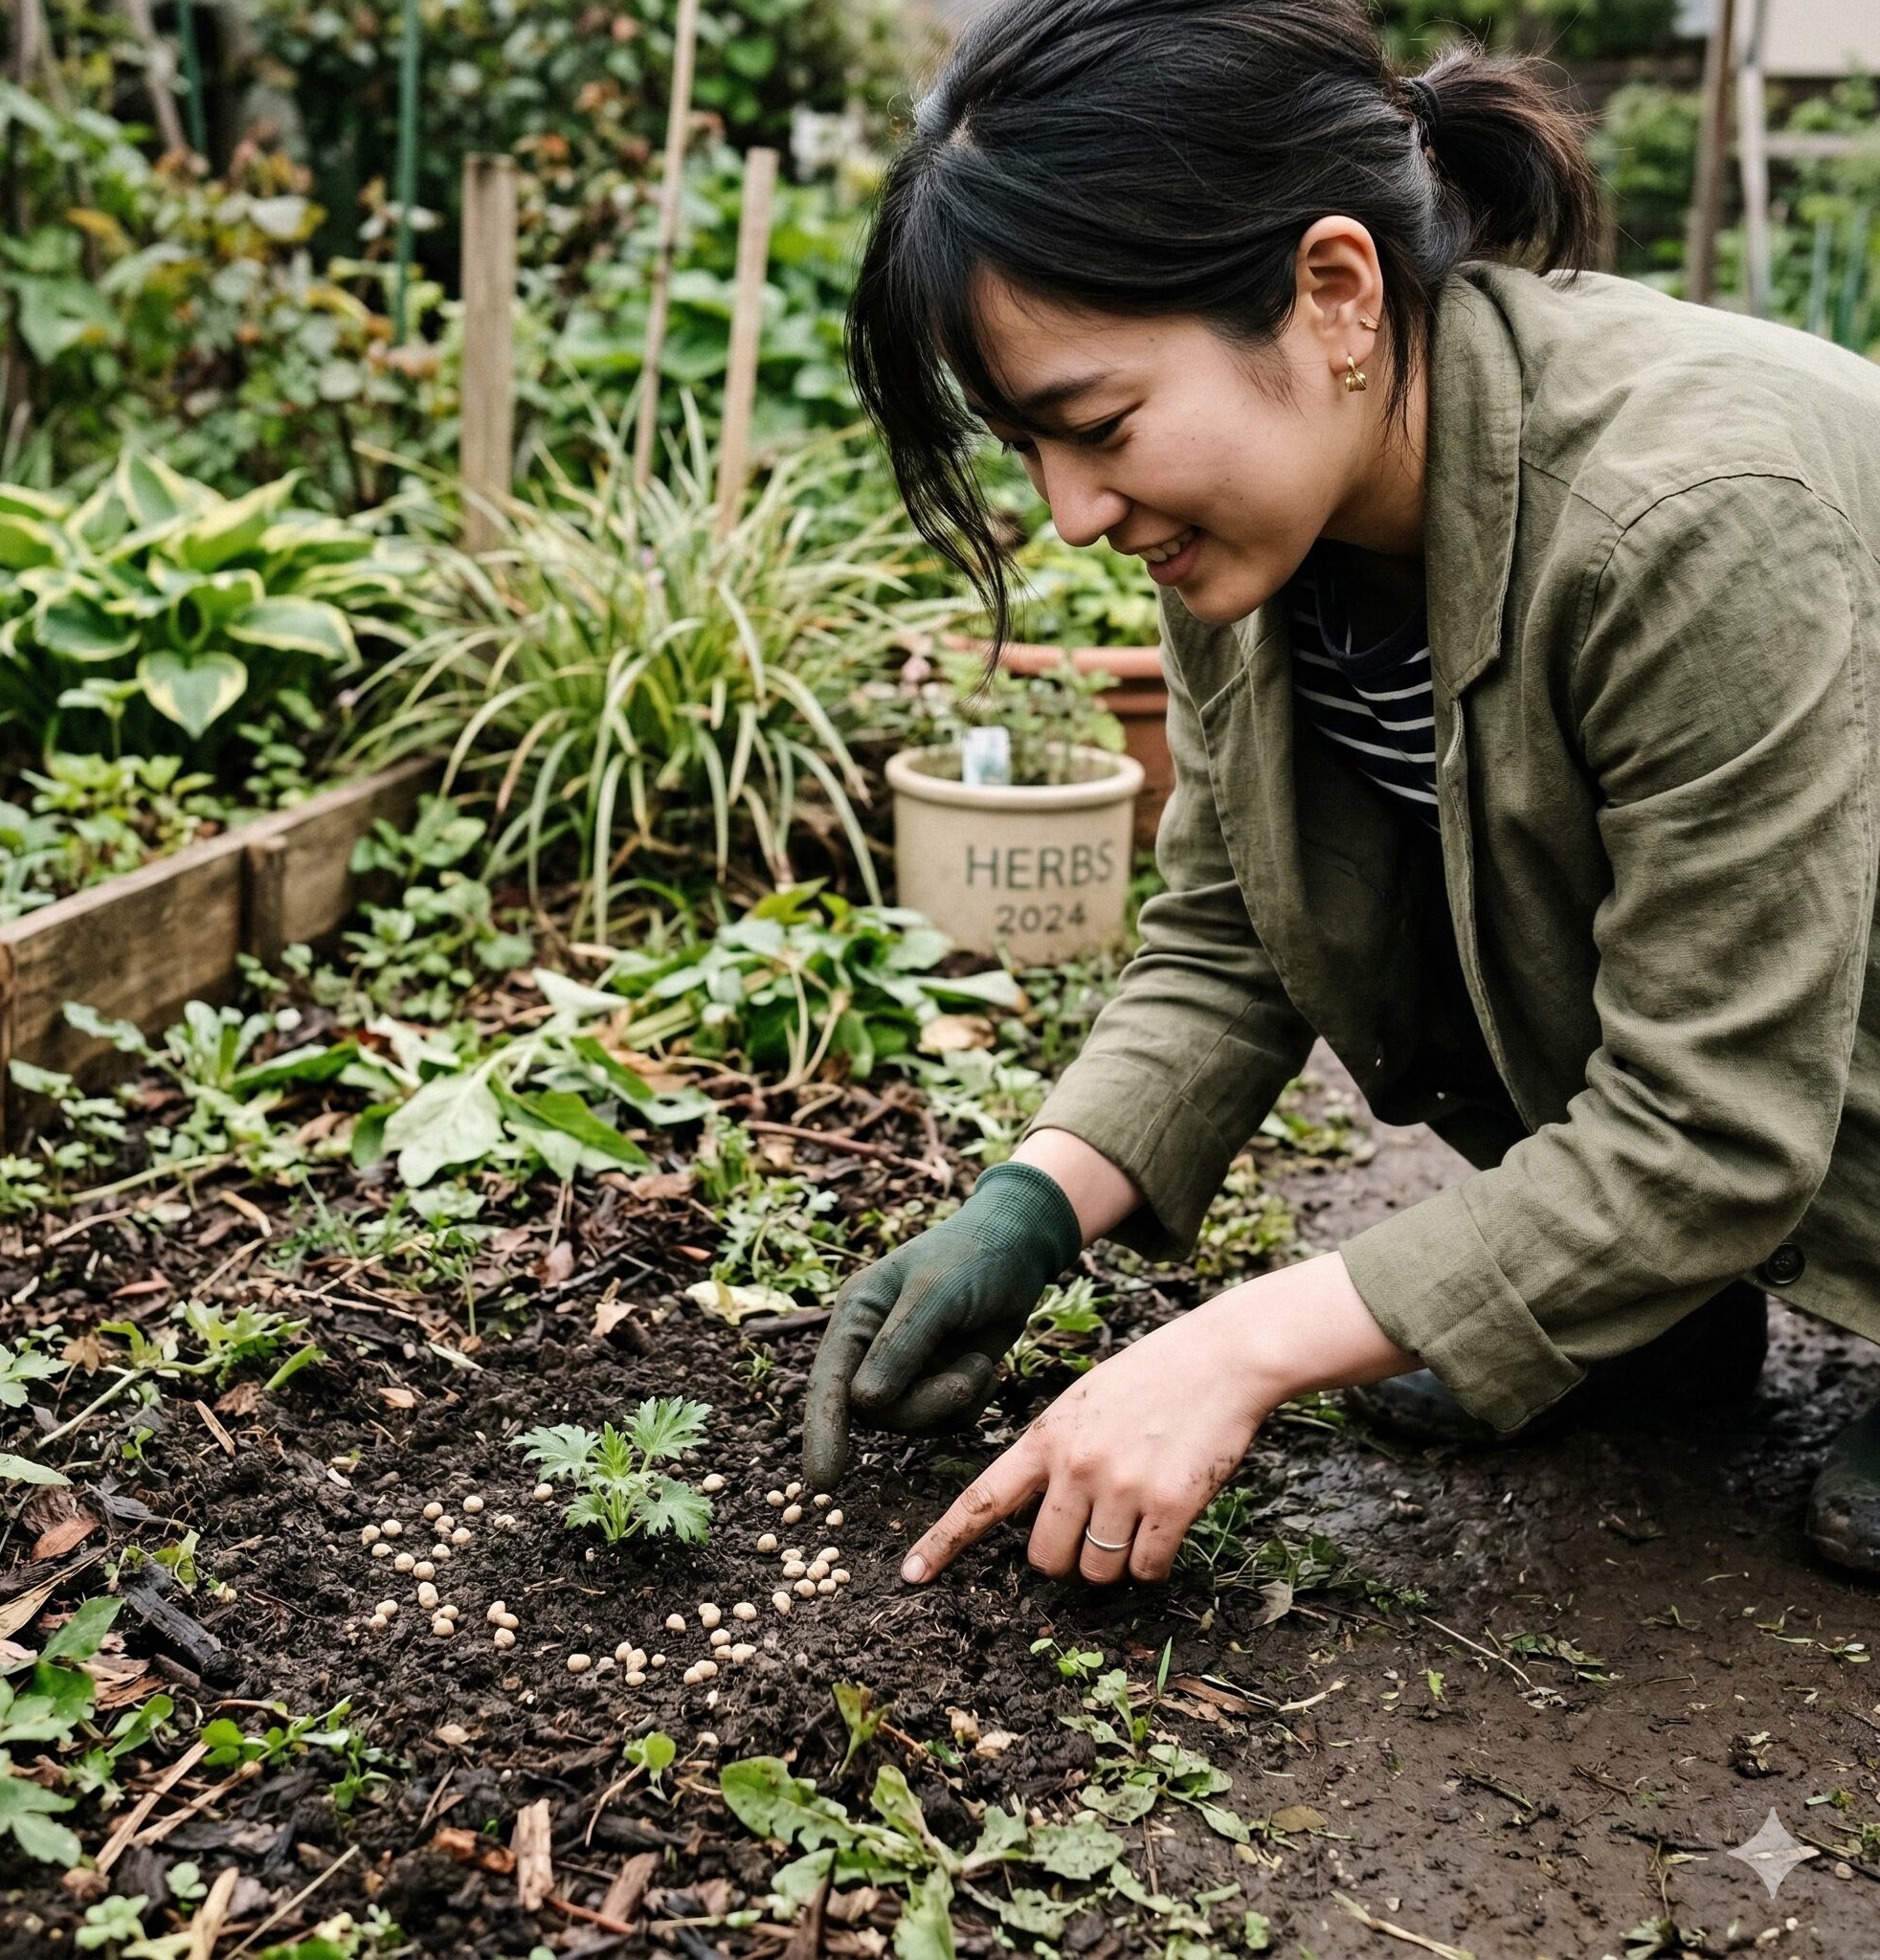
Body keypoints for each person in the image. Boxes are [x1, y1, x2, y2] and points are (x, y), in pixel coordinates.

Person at [798, 0, 1880, 1588]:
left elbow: (1716, 1116)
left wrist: (1233, 1349)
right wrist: (1034, 1202)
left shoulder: (1685, 520)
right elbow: (1236, 922)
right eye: (1029, 447)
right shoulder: (1270, 515)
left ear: (1333, 293)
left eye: (1097, 426)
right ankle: (1647, 1311)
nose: (1075, 513)